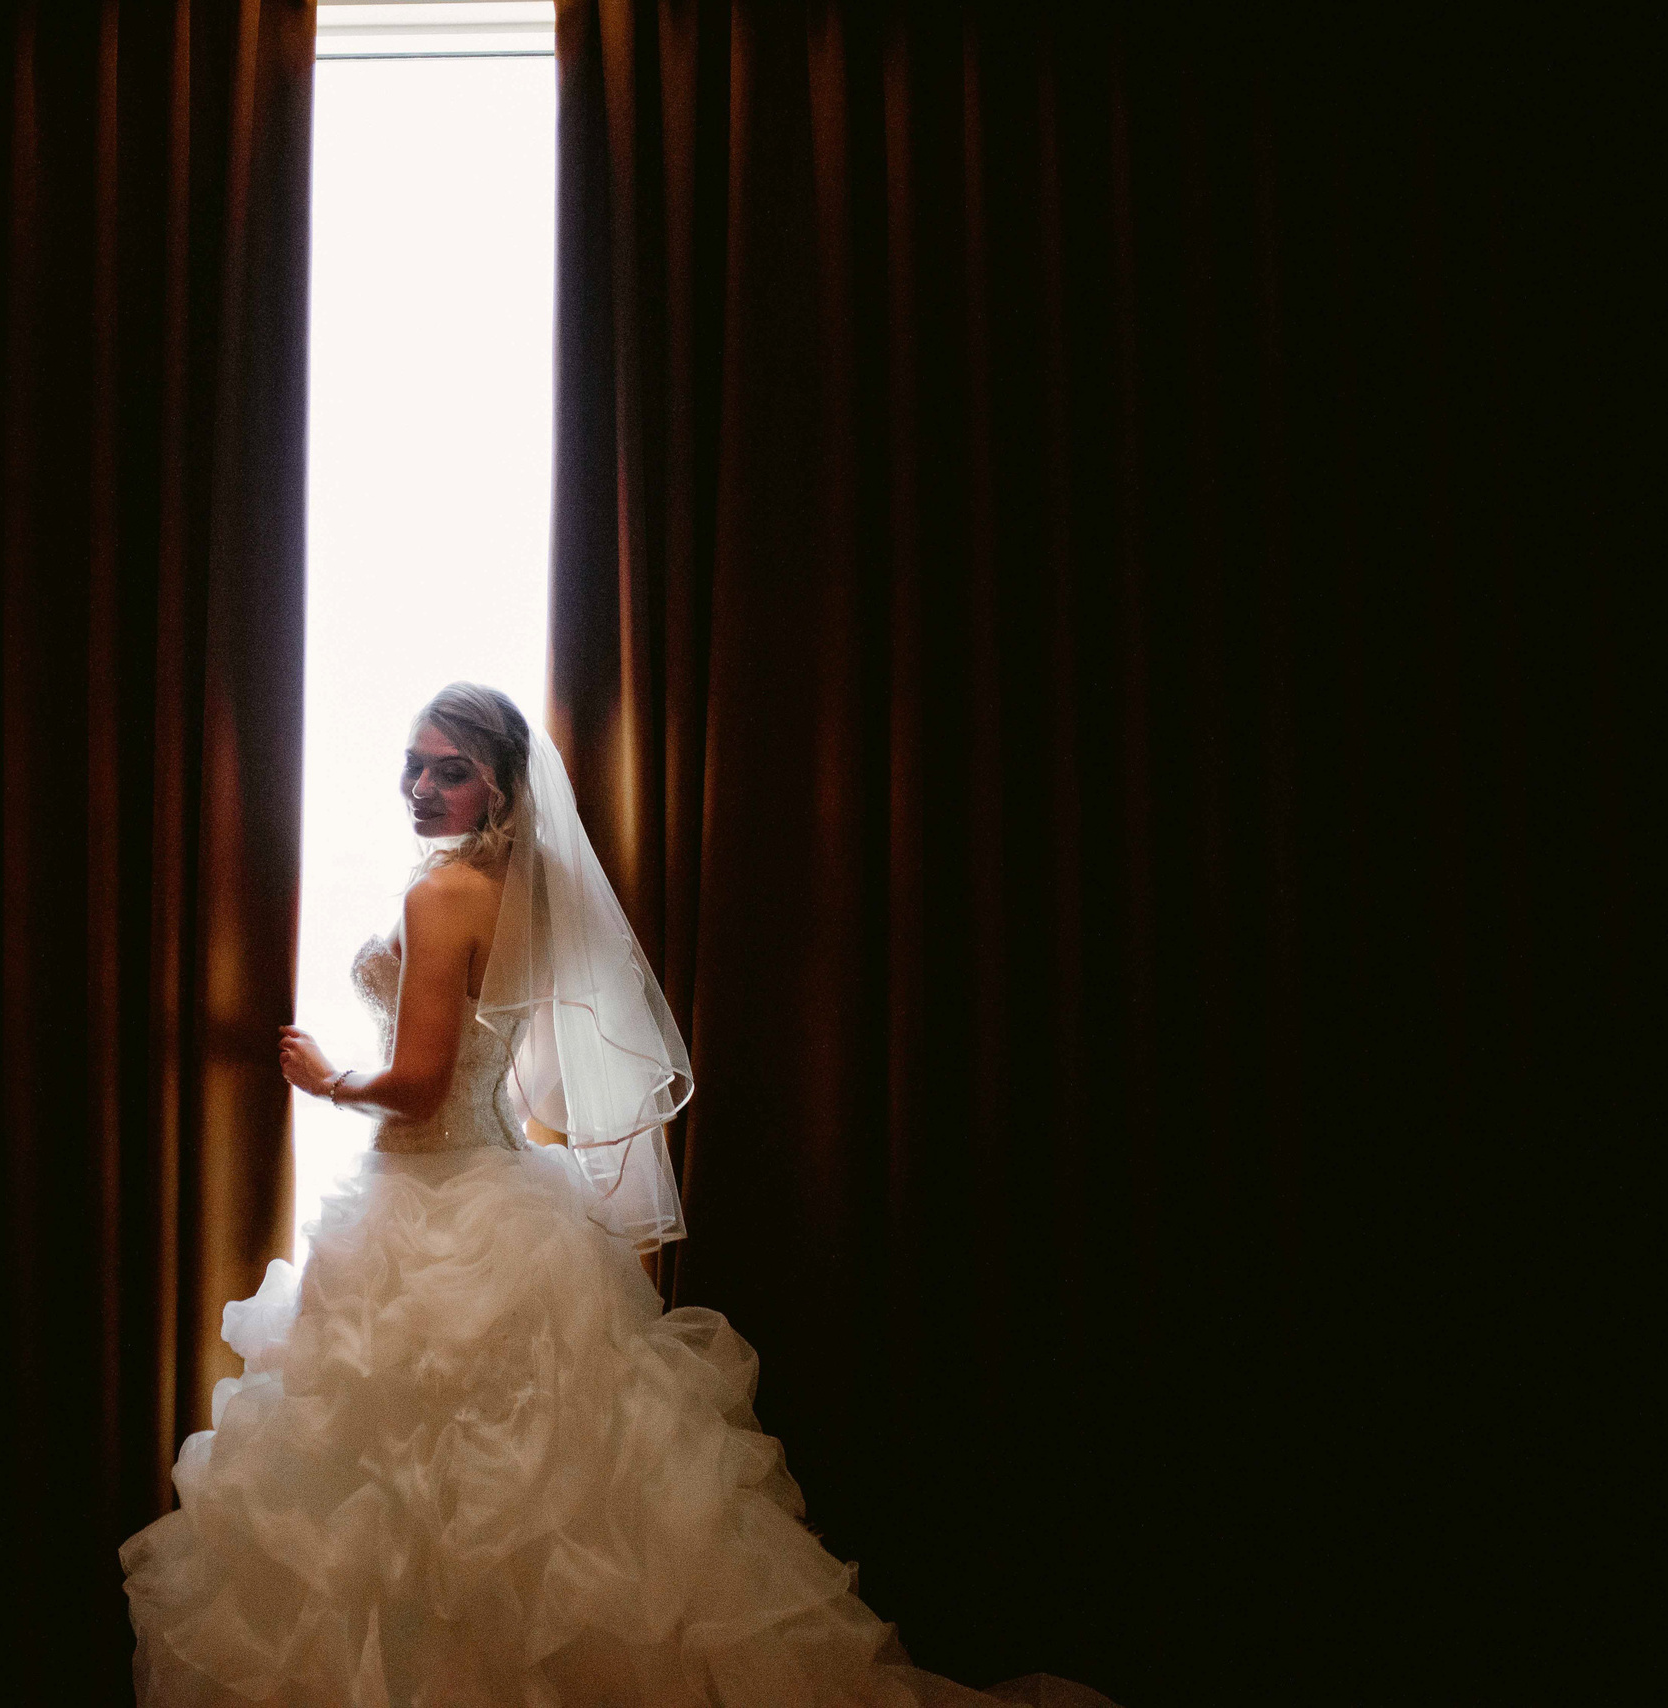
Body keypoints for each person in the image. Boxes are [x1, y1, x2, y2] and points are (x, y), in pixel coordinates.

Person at [120, 684, 1115, 1708]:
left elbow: (418, 1086)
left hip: (433, 1201)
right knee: (553, 1490)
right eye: (413, 765)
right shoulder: (530, 882)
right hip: (506, 1196)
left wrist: (327, 1075)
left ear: (501, 782)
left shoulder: (439, 896)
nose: (420, 786)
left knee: (409, 1492)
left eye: (448, 769)